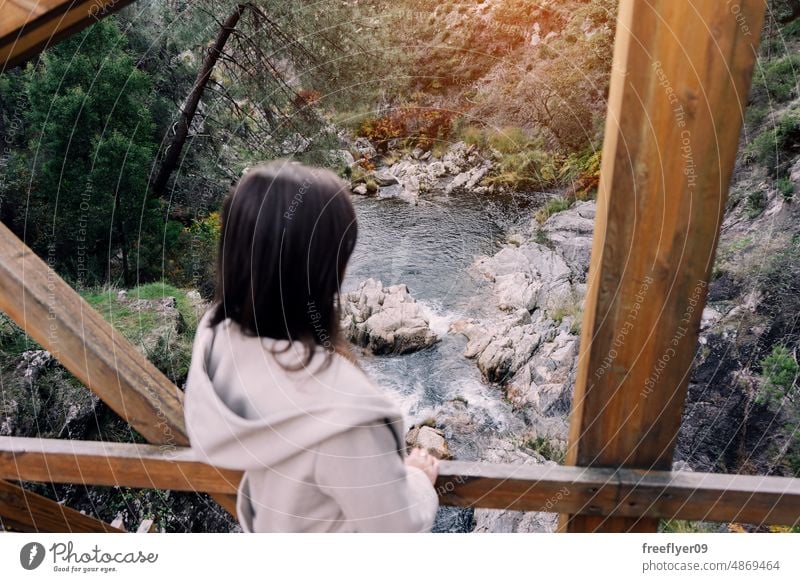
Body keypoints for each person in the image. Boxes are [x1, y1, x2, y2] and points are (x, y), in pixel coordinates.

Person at [184, 161, 440, 532]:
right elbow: (397, 531)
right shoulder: (345, 415)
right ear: (324, 269)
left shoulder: (213, 346)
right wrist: (416, 479)